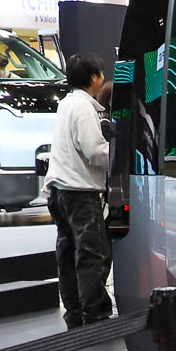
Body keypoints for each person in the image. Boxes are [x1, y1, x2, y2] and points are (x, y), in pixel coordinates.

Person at [46, 52, 114, 328]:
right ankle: (95, 316)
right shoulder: (85, 108)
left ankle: (74, 314)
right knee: (92, 256)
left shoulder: (66, 104)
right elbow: (94, 151)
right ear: (94, 77)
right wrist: (120, 154)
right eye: (101, 73)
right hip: (80, 194)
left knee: (67, 255)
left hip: (59, 191)